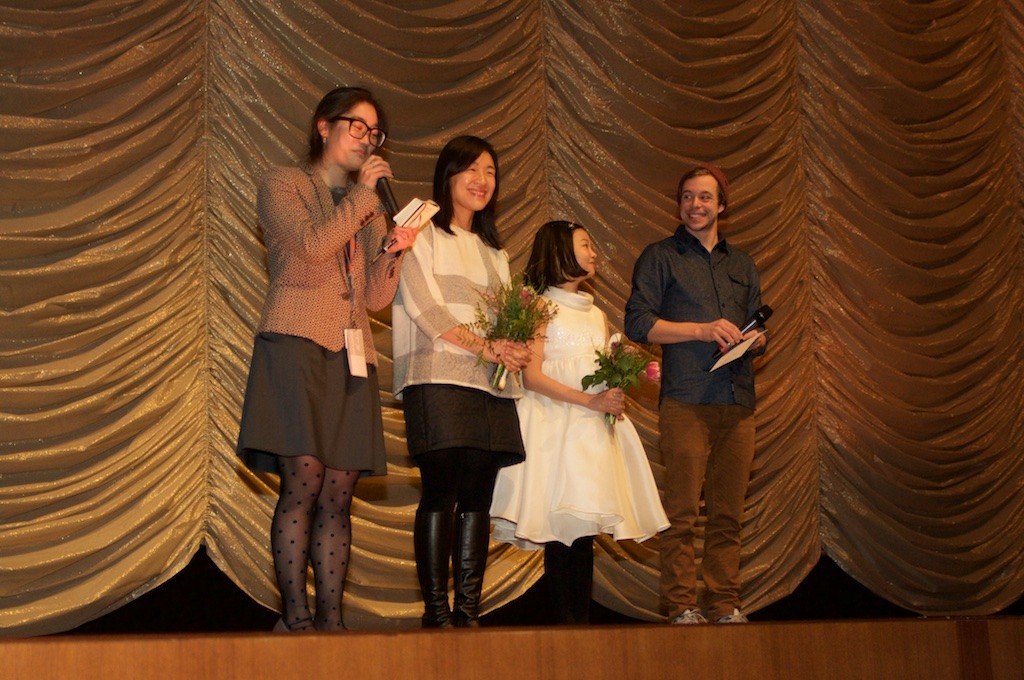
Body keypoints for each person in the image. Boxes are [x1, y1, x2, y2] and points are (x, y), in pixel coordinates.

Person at [236, 86, 417, 632]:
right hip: (294, 342)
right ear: (323, 127)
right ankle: (294, 618)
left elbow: (375, 299)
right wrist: (365, 202)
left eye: (374, 132)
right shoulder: (284, 184)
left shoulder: (368, 209)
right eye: (356, 127)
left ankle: (332, 623)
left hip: (351, 351)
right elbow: (311, 250)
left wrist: (394, 253)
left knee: (340, 491)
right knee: (305, 482)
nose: (367, 140)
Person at [490, 220, 669, 624]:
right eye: (585, 245)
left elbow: (601, 366)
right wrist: (590, 399)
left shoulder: (597, 315)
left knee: (583, 532)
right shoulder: (538, 308)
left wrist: (624, 379)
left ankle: (580, 629)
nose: (593, 254)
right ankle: (565, 629)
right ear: (559, 252)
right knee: (560, 530)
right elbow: (533, 377)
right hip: (554, 428)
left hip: (589, 432)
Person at [392, 135, 532, 628]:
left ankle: (468, 612)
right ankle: (436, 613)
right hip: (437, 377)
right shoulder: (419, 234)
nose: (481, 180)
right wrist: (489, 347)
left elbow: (506, 320)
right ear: (447, 176)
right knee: (441, 492)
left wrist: (515, 345)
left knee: (478, 497)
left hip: (490, 386)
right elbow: (426, 310)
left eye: (490, 172)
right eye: (470, 169)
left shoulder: (496, 253)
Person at [624, 165, 767, 625]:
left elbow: (754, 325)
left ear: (722, 205)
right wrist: (701, 329)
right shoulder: (660, 256)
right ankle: (682, 605)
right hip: (686, 398)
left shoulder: (741, 264)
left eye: (705, 198)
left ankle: (724, 604)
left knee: (728, 515)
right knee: (682, 512)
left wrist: (756, 338)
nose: (695, 205)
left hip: (737, 397)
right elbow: (638, 323)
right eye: (687, 197)